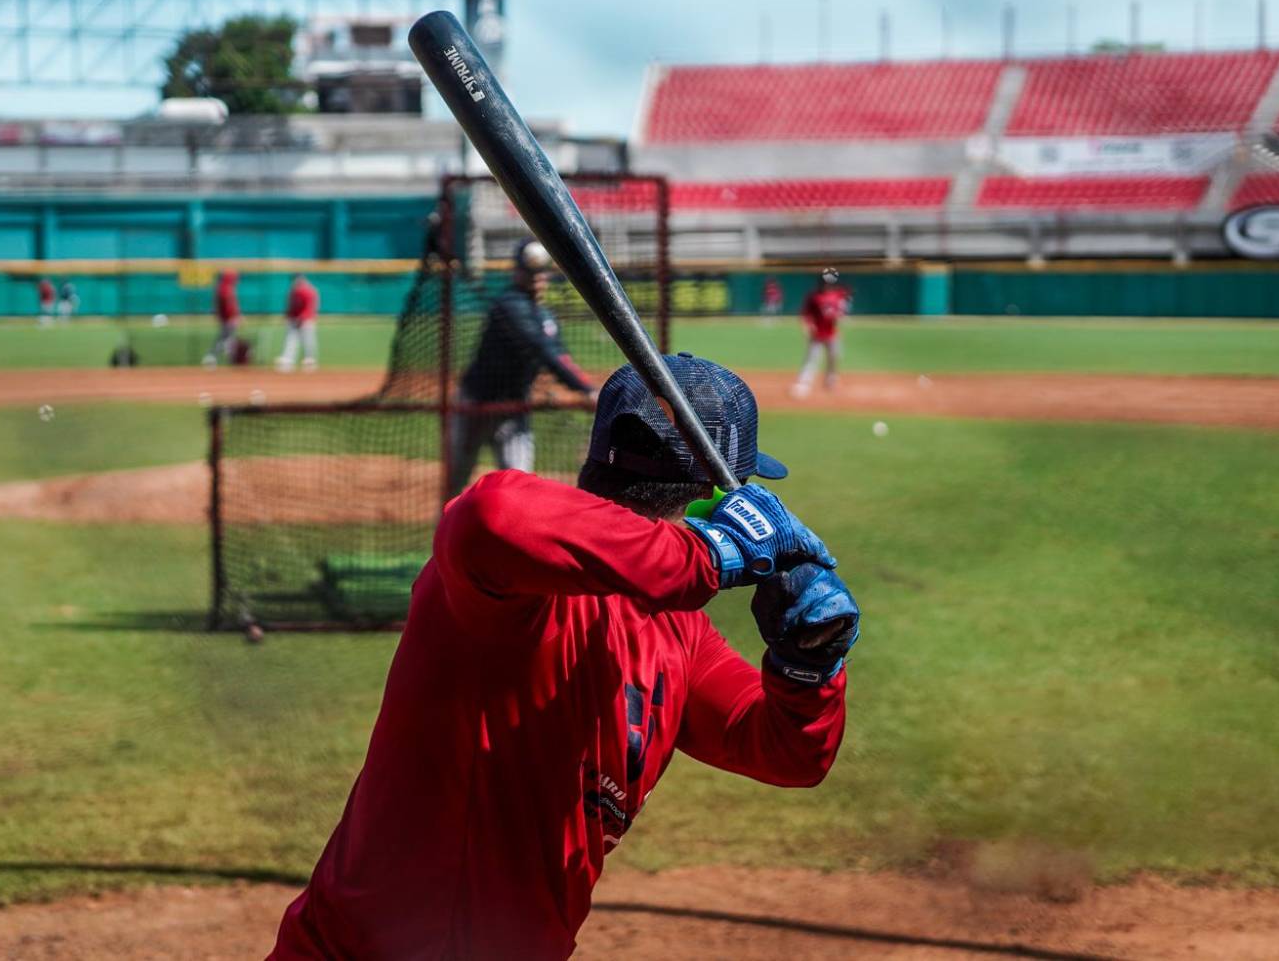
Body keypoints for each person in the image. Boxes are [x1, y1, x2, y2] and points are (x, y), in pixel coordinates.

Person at [269, 353, 857, 960]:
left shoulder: (680, 633)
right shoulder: (516, 591)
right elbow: (489, 515)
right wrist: (706, 555)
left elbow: (789, 752)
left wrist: (807, 663)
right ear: (709, 492)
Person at [446, 240, 594, 495]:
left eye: (540, 273)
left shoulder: (546, 316)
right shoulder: (509, 306)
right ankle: (446, 529)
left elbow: (559, 355)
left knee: (520, 484)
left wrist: (583, 387)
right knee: (456, 478)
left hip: (514, 408)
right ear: (516, 272)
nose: (536, 279)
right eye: (529, 272)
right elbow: (543, 349)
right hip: (476, 405)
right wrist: (586, 389)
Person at [792, 269, 849, 398]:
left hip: (832, 333)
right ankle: (804, 382)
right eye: (825, 282)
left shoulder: (838, 295)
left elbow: (840, 312)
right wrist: (807, 327)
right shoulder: (813, 296)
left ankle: (831, 380)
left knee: (834, 358)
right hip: (817, 334)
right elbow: (805, 314)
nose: (827, 285)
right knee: (812, 359)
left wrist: (840, 316)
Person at [275, 274, 320, 372]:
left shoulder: (309, 291)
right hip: (294, 319)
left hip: (307, 319)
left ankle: (310, 361)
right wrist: (288, 316)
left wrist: (303, 318)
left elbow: (310, 307)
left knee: (308, 340)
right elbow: (291, 305)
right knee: (290, 339)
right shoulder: (293, 291)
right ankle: (288, 361)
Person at [203, 269, 243, 368]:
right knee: (224, 339)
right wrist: (233, 316)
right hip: (228, 318)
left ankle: (228, 358)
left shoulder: (222, 287)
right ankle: (211, 357)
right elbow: (228, 304)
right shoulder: (226, 288)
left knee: (227, 339)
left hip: (226, 317)